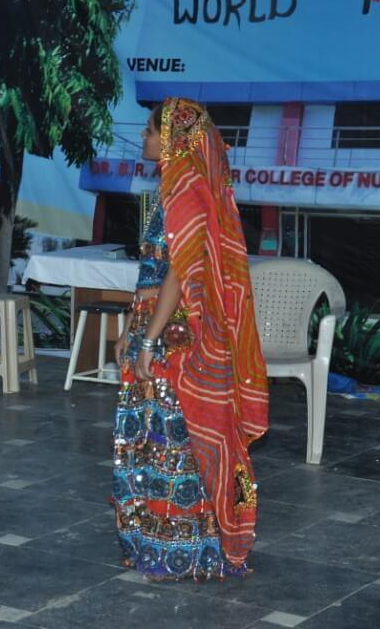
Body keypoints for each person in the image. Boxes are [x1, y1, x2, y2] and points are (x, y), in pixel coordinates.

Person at [112, 98, 269, 580]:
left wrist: (147, 340)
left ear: (174, 138)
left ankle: (187, 550)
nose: (144, 138)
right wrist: (129, 328)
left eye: (150, 130)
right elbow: (153, 269)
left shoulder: (189, 190)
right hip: (153, 325)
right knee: (146, 443)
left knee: (174, 441)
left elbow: (180, 275)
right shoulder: (172, 188)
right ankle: (153, 544)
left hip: (175, 338)